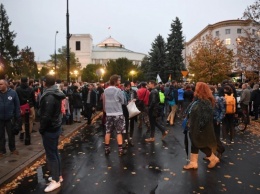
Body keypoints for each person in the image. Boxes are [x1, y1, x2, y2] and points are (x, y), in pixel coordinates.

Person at [38, 75, 66, 192]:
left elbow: (46, 115)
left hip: (50, 128)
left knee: (51, 155)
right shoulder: (55, 92)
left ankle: (55, 180)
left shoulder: (49, 95)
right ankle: (58, 176)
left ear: (45, 83)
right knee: (54, 152)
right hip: (55, 126)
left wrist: (42, 128)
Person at [183, 82, 219, 170]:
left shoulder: (206, 102)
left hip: (200, 129)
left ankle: (213, 158)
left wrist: (199, 128)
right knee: (195, 144)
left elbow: (206, 118)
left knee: (200, 144)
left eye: (196, 88)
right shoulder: (198, 100)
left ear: (201, 90)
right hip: (194, 127)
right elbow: (192, 111)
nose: (195, 89)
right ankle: (193, 163)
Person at [103, 75, 125, 156]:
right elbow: (122, 101)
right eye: (119, 80)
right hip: (118, 113)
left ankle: (106, 149)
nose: (119, 82)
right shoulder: (118, 90)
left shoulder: (105, 90)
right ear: (115, 81)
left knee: (108, 131)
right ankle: (120, 149)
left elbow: (104, 101)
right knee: (119, 132)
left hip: (109, 113)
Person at [0, 79, 20, 157]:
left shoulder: (13, 93)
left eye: (1, 84)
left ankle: (12, 149)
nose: (0, 86)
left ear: (6, 85)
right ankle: (2, 150)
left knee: (11, 135)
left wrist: (17, 117)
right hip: (0, 118)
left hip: (10, 118)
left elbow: (17, 106)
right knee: (1, 135)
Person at [209, 85, 225, 158]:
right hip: (208, 120)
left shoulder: (218, 99)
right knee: (209, 137)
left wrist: (219, 119)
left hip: (215, 120)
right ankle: (211, 153)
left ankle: (220, 150)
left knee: (216, 137)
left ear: (212, 90)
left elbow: (223, 110)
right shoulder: (206, 99)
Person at [122, 81, 138, 146]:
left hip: (132, 109)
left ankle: (130, 139)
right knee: (125, 125)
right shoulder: (122, 92)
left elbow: (137, 98)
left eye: (129, 87)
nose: (128, 88)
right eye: (126, 87)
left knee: (132, 124)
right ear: (124, 87)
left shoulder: (133, 91)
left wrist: (135, 100)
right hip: (125, 110)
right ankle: (125, 139)